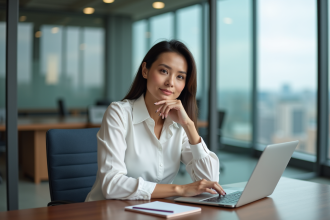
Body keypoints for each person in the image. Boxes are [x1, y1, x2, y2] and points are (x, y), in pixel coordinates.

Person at [85, 40, 225, 202]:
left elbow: (210, 182)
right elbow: (111, 185)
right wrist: (180, 189)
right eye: (164, 71)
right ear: (145, 70)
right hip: (107, 212)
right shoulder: (119, 113)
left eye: (180, 76)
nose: (170, 83)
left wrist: (189, 126)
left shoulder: (179, 123)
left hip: (154, 211)